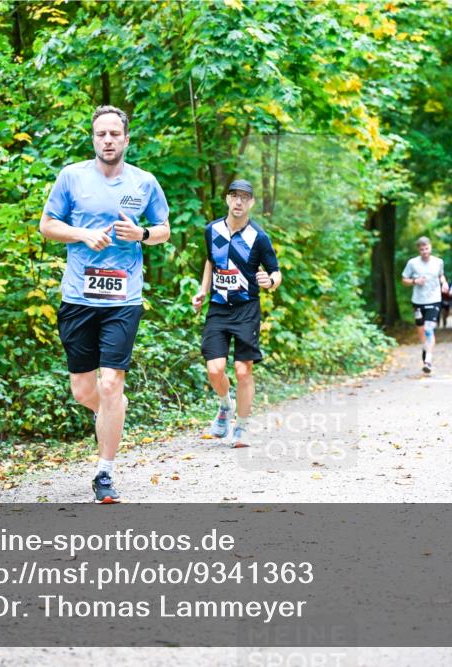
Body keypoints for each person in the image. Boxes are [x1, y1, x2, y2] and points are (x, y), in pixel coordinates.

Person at [39, 105, 170, 503]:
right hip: (79, 296)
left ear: (126, 139)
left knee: (111, 384)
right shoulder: (71, 177)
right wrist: (81, 234)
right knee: (83, 390)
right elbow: (47, 226)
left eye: (115, 134)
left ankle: (104, 473)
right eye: (102, 134)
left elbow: (163, 230)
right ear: (93, 139)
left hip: (123, 298)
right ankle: (112, 411)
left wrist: (141, 233)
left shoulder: (144, 182)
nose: (108, 140)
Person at [192, 180, 281, 448]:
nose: (239, 202)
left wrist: (271, 282)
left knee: (243, 371)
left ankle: (241, 427)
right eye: (234, 196)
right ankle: (224, 406)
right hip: (218, 308)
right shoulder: (212, 230)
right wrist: (202, 291)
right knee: (214, 369)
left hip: (246, 309)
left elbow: (275, 270)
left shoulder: (259, 237)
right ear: (227, 199)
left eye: (244, 197)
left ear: (252, 202)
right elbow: (210, 261)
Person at [401, 237, 449, 374]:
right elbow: (404, 280)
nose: (424, 252)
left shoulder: (438, 262)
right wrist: (415, 281)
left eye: (426, 248)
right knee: (421, 332)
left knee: (429, 329)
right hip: (417, 301)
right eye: (422, 249)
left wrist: (444, 283)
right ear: (418, 250)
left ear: (431, 247)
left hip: (434, 300)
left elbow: (441, 276)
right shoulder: (412, 263)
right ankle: (425, 347)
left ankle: (428, 360)